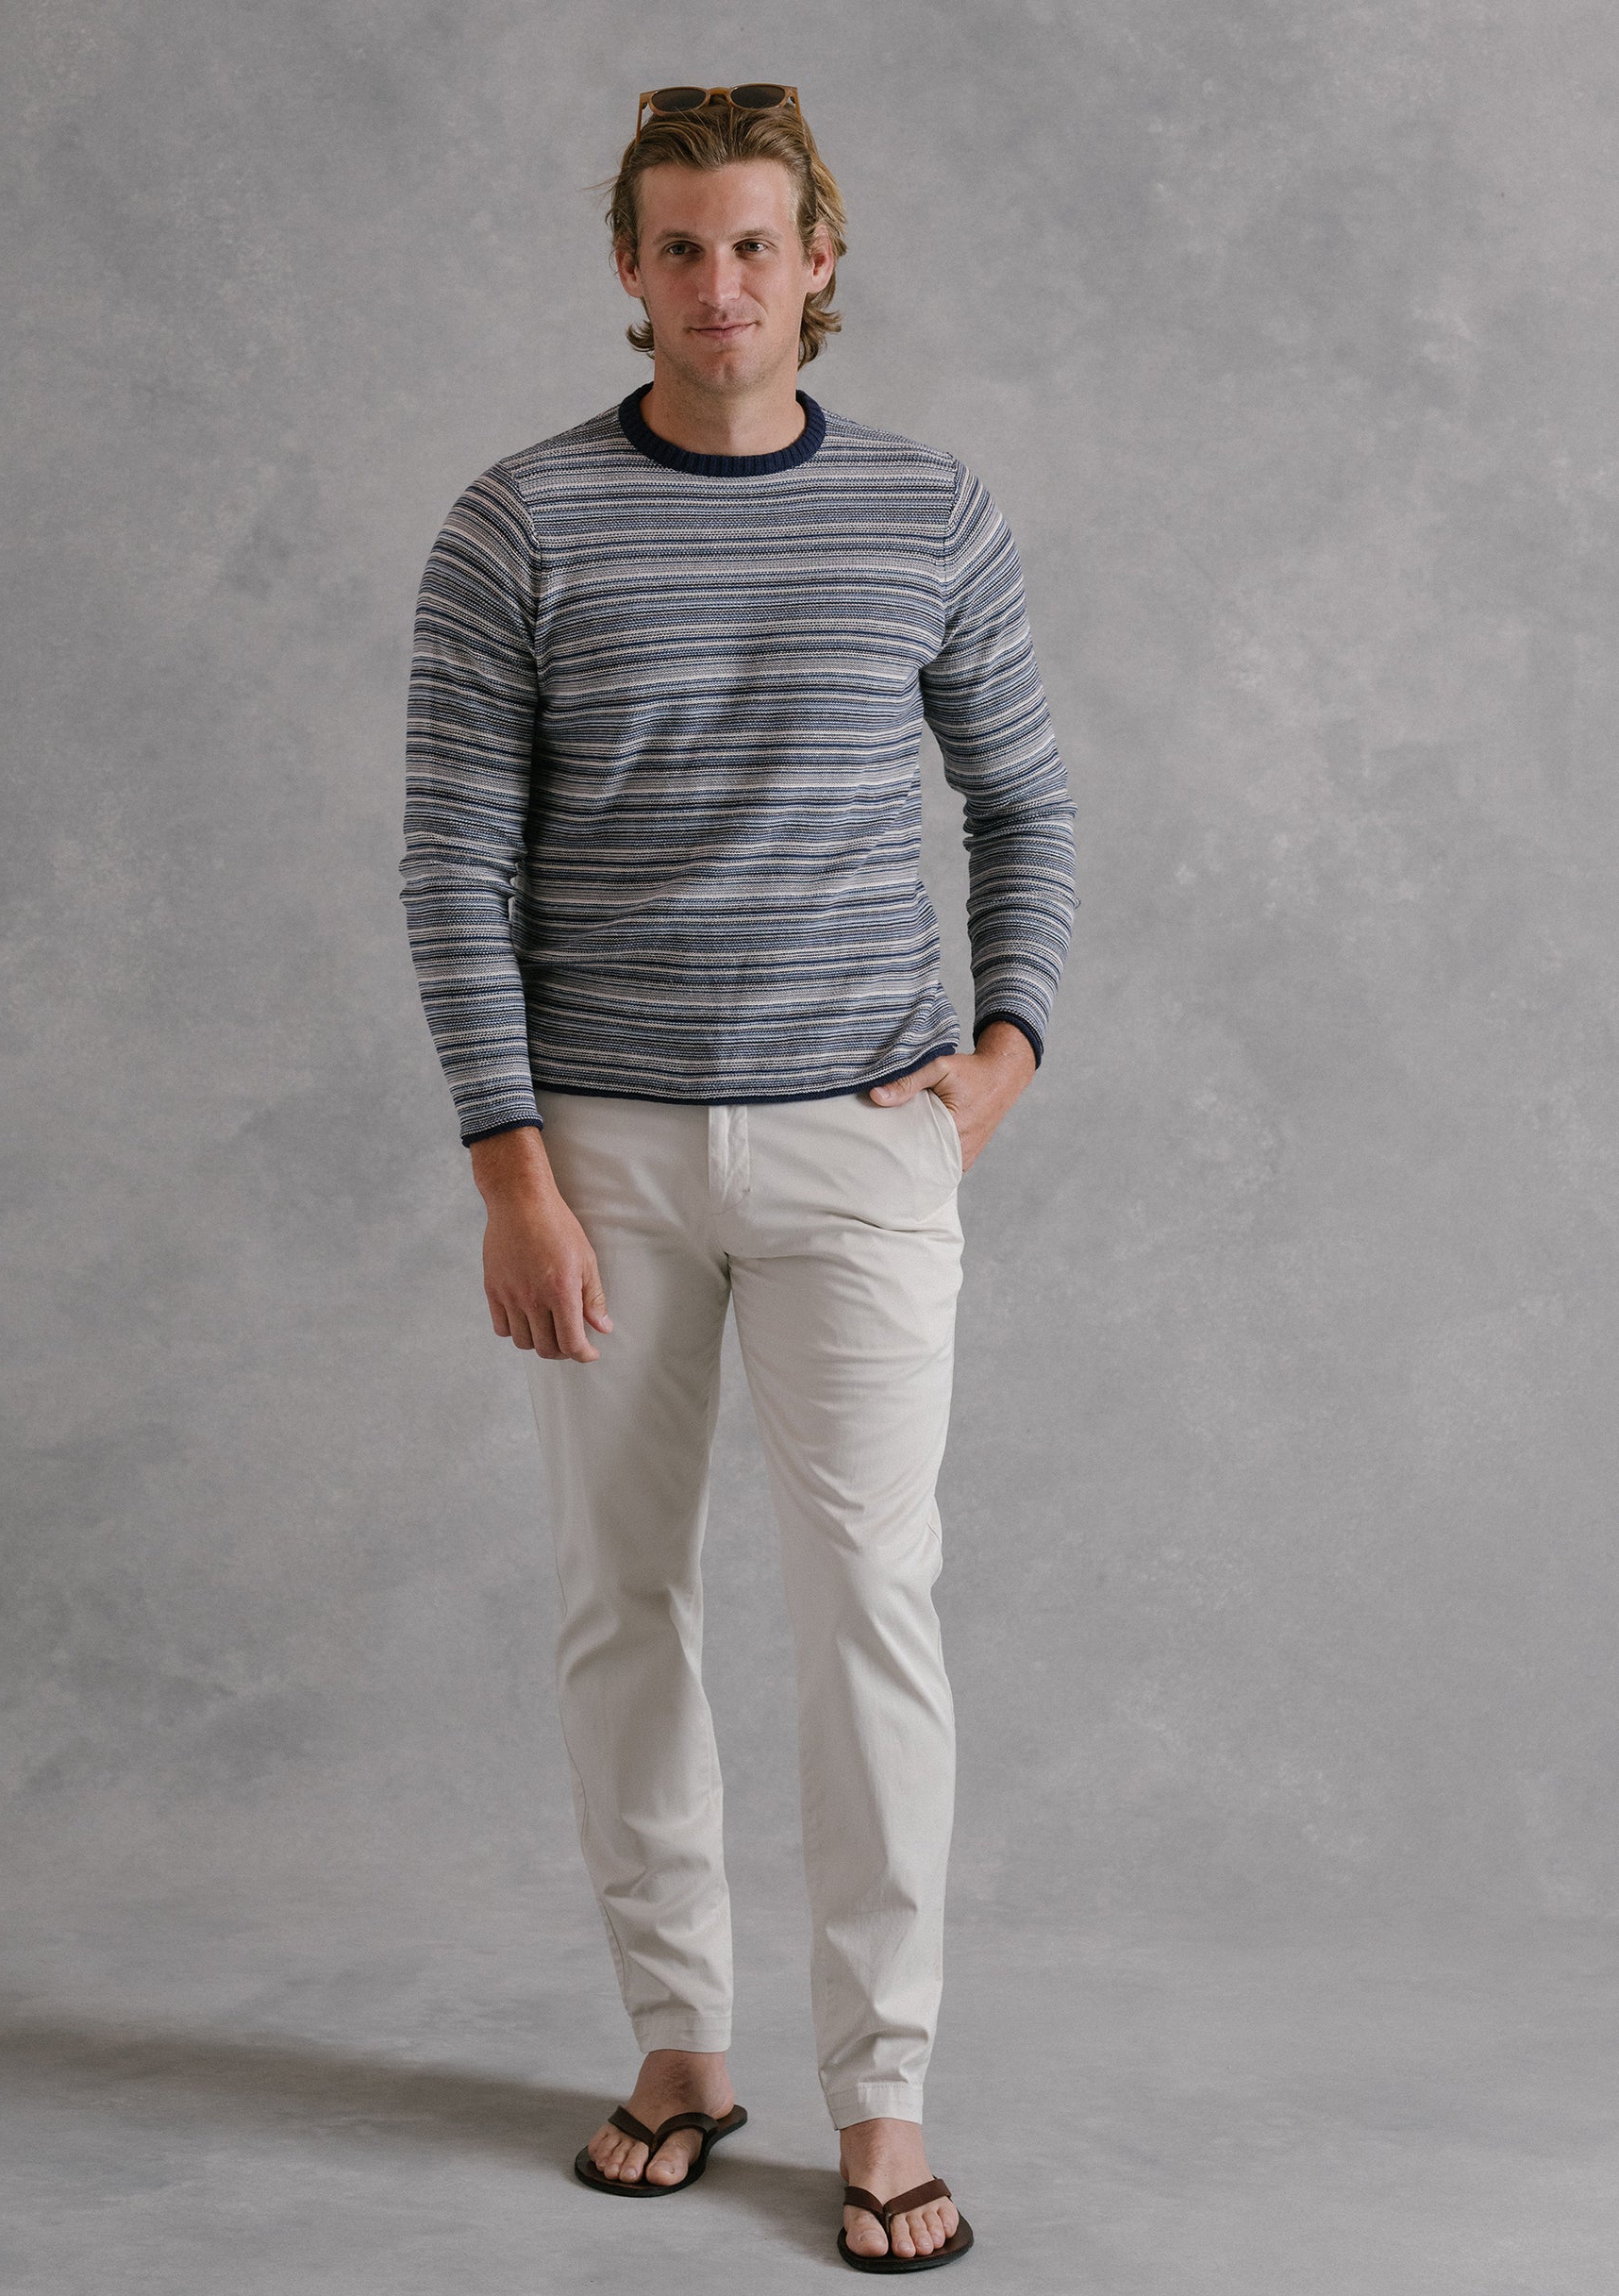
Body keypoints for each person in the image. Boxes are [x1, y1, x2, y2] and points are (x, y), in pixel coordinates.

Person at [400, 82, 1077, 2273]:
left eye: (755, 246)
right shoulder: (520, 523)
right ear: (628, 266)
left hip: (858, 1143)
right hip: (597, 1150)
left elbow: (1026, 803)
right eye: (679, 248)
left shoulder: (927, 510)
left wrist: (999, 1057)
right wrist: (510, 1171)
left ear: (818, 261)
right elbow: (451, 861)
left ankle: (883, 2091)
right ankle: (678, 2045)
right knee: (623, 1597)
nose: (719, 287)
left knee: (871, 1599)